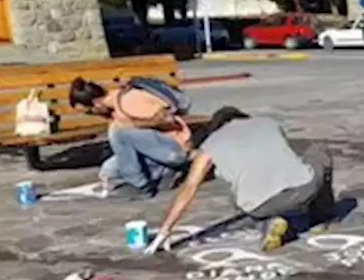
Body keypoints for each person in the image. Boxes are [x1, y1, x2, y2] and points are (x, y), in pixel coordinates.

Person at [143, 107, 335, 255]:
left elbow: (189, 188)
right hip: (303, 188)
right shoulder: (267, 122)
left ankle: (270, 221)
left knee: (239, 197)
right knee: (318, 153)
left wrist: (165, 230)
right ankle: (321, 216)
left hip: (259, 205)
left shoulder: (209, 146)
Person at [69, 76, 191, 197]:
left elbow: (167, 119)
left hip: (174, 148)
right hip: (156, 150)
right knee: (109, 171)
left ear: (97, 104)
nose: (93, 115)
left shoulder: (128, 100)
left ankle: (141, 186)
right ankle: (165, 174)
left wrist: (133, 125)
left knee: (120, 133)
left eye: (89, 112)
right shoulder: (114, 111)